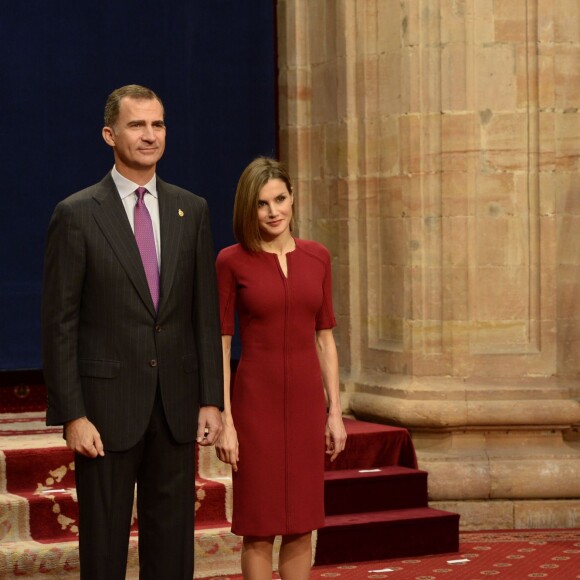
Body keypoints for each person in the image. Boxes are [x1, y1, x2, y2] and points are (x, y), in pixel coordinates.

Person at [41, 84, 224, 580]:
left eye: (158, 124)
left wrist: (212, 399)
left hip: (176, 407)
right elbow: (60, 325)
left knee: (172, 554)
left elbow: (204, 316)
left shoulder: (193, 210)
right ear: (109, 134)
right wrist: (72, 414)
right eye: (137, 125)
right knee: (103, 554)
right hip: (104, 414)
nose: (150, 135)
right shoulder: (77, 214)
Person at [215, 157, 347, 579]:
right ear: (247, 209)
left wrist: (335, 412)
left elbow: (325, 339)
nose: (274, 211)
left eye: (280, 199)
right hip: (255, 405)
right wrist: (226, 420)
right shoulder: (231, 261)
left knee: (301, 525)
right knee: (258, 527)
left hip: (307, 406)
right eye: (262, 204)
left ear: (292, 198)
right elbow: (221, 342)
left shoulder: (318, 257)